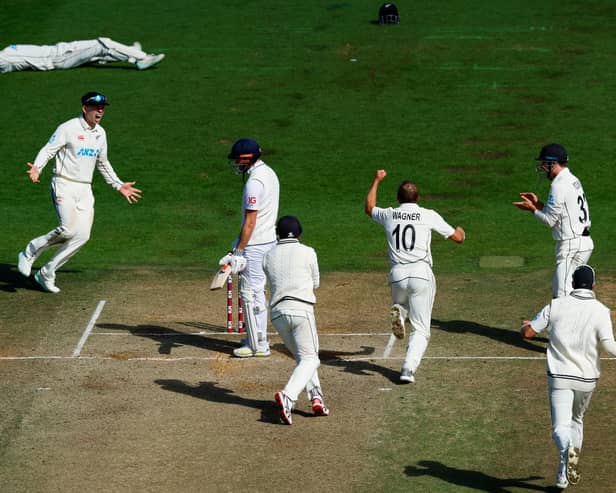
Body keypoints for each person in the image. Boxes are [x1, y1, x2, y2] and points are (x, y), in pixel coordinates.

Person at [17, 91, 142, 293]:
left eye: (102, 107)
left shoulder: (101, 133)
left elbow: (103, 162)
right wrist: (37, 167)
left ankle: (46, 273)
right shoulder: (68, 128)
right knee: (68, 229)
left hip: (85, 188)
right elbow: (49, 149)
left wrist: (118, 185)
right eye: (95, 107)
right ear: (85, 109)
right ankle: (30, 251)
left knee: (82, 236)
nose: (100, 110)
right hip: (63, 183)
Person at [520, 265, 616, 490]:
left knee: (559, 428)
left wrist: (524, 327)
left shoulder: (555, 305)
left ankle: (567, 453)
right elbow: (610, 347)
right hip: (587, 379)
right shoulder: (601, 310)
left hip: (559, 377)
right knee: (576, 421)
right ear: (593, 286)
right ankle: (564, 473)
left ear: (572, 283)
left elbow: (529, 333)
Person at [365, 169, 465, 383]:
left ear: (398, 199)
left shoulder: (390, 213)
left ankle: (400, 314)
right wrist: (460, 231)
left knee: (402, 305)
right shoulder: (428, 214)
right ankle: (408, 369)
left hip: (397, 274)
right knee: (421, 329)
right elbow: (457, 238)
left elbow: (370, 208)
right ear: (417, 199)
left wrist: (377, 180)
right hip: (420, 273)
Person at [262, 216, 329, 425]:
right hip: (301, 310)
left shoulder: (267, 256)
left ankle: (316, 397)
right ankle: (288, 397)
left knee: (303, 358)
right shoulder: (308, 252)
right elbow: (316, 283)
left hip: (277, 314)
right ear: (299, 233)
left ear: (277, 234)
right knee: (311, 359)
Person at [218, 139, 280, 358]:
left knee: (252, 294)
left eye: (238, 158)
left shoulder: (254, 183)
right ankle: (257, 337)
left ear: (248, 158)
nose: (236, 162)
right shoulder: (269, 173)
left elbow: (250, 221)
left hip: (255, 245)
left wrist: (239, 251)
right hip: (267, 241)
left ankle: (258, 344)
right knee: (256, 292)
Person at [514, 143, 593, 298]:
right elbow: (560, 213)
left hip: (571, 245)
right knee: (565, 293)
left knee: (562, 296)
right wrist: (538, 204)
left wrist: (532, 209)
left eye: (544, 163)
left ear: (553, 163)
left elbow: (550, 221)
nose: (542, 167)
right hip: (580, 242)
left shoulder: (559, 185)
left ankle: (576, 321)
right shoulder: (572, 179)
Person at [0, 38, 164, 73]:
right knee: (101, 44)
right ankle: (142, 58)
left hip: (62, 50)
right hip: (59, 58)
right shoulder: (4, 59)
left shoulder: (6, 51)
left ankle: (129, 53)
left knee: (98, 53)